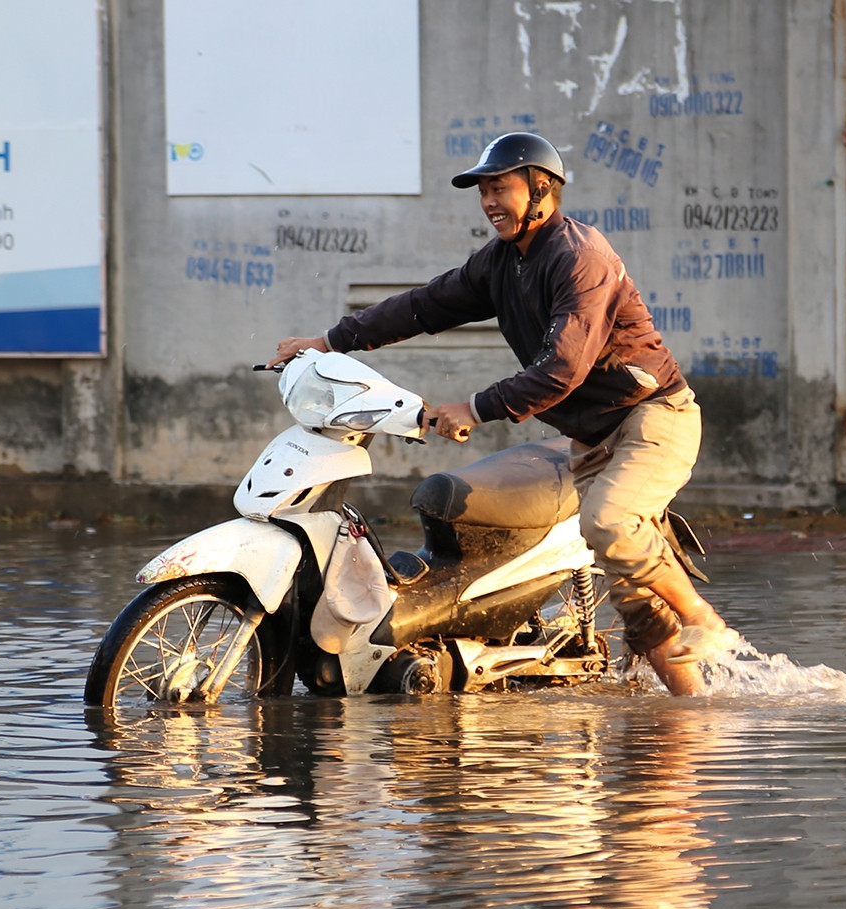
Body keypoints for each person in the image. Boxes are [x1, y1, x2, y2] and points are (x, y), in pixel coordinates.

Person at [269, 132, 736, 695]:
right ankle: (690, 727)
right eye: (483, 190)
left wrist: (474, 407)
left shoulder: (580, 258)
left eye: (501, 187)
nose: (490, 200)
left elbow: (562, 368)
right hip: (591, 437)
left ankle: (705, 621)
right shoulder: (502, 263)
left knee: (609, 524)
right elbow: (423, 305)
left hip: (651, 415)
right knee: (638, 604)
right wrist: (328, 341)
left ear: (541, 190)